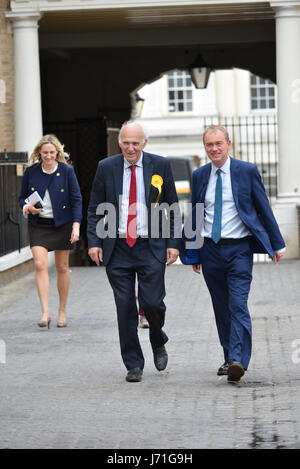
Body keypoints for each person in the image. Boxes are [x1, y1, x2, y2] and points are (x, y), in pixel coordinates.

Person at [180, 125, 285, 383]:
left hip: (239, 248)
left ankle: (239, 360)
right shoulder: (200, 175)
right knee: (221, 306)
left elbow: (262, 206)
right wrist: (193, 252)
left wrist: (277, 243)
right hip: (210, 250)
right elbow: (195, 212)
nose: (214, 149)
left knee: (237, 303)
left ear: (228, 143)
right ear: (205, 148)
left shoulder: (246, 171)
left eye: (218, 143)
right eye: (209, 145)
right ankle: (229, 357)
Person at [87, 121, 181, 382]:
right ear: (120, 142)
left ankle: (157, 337)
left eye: (135, 143)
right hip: (117, 247)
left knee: (152, 302)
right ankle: (133, 364)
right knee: (125, 306)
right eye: (126, 142)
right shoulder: (106, 168)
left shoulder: (159, 165)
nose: (130, 148)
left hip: (150, 245)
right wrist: (94, 241)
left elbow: (173, 206)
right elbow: (95, 207)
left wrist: (173, 243)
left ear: (144, 144)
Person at [19, 134, 82, 329]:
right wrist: (28, 208)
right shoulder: (31, 172)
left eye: (51, 153)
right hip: (39, 224)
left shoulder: (66, 171)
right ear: (39, 153)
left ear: (57, 153)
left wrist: (76, 225)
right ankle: (45, 311)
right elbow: (22, 198)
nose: (48, 156)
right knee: (40, 264)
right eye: (44, 152)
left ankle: (62, 310)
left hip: (62, 224)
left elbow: (76, 199)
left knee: (62, 267)